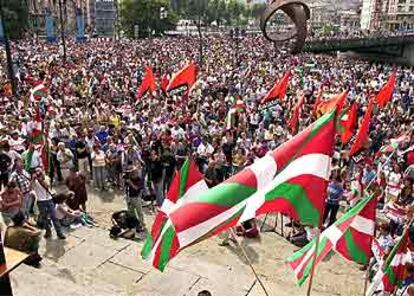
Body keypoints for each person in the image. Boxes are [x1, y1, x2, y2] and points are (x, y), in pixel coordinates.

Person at [32, 168, 65, 240]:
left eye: (40, 172)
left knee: (54, 216)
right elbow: (31, 187)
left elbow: (47, 186)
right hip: (40, 201)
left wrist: (40, 179)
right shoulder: (35, 180)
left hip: (49, 199)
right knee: (44, 218)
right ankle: (48, 231)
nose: (39, 174)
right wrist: (33, 179)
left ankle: (59, 232)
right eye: (37, 172)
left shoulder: (46, 178)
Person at [125, 165, 146, 232]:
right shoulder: (128, 178)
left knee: (139, 212)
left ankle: (142, 225)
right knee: (131, 212)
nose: (133, 174)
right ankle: (134, 224)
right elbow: (126, 187)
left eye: (134, 172)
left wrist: (129, 182)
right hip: (129, 197)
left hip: (137, 198)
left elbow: (136, 188)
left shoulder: (139, 179)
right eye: (132, 172)